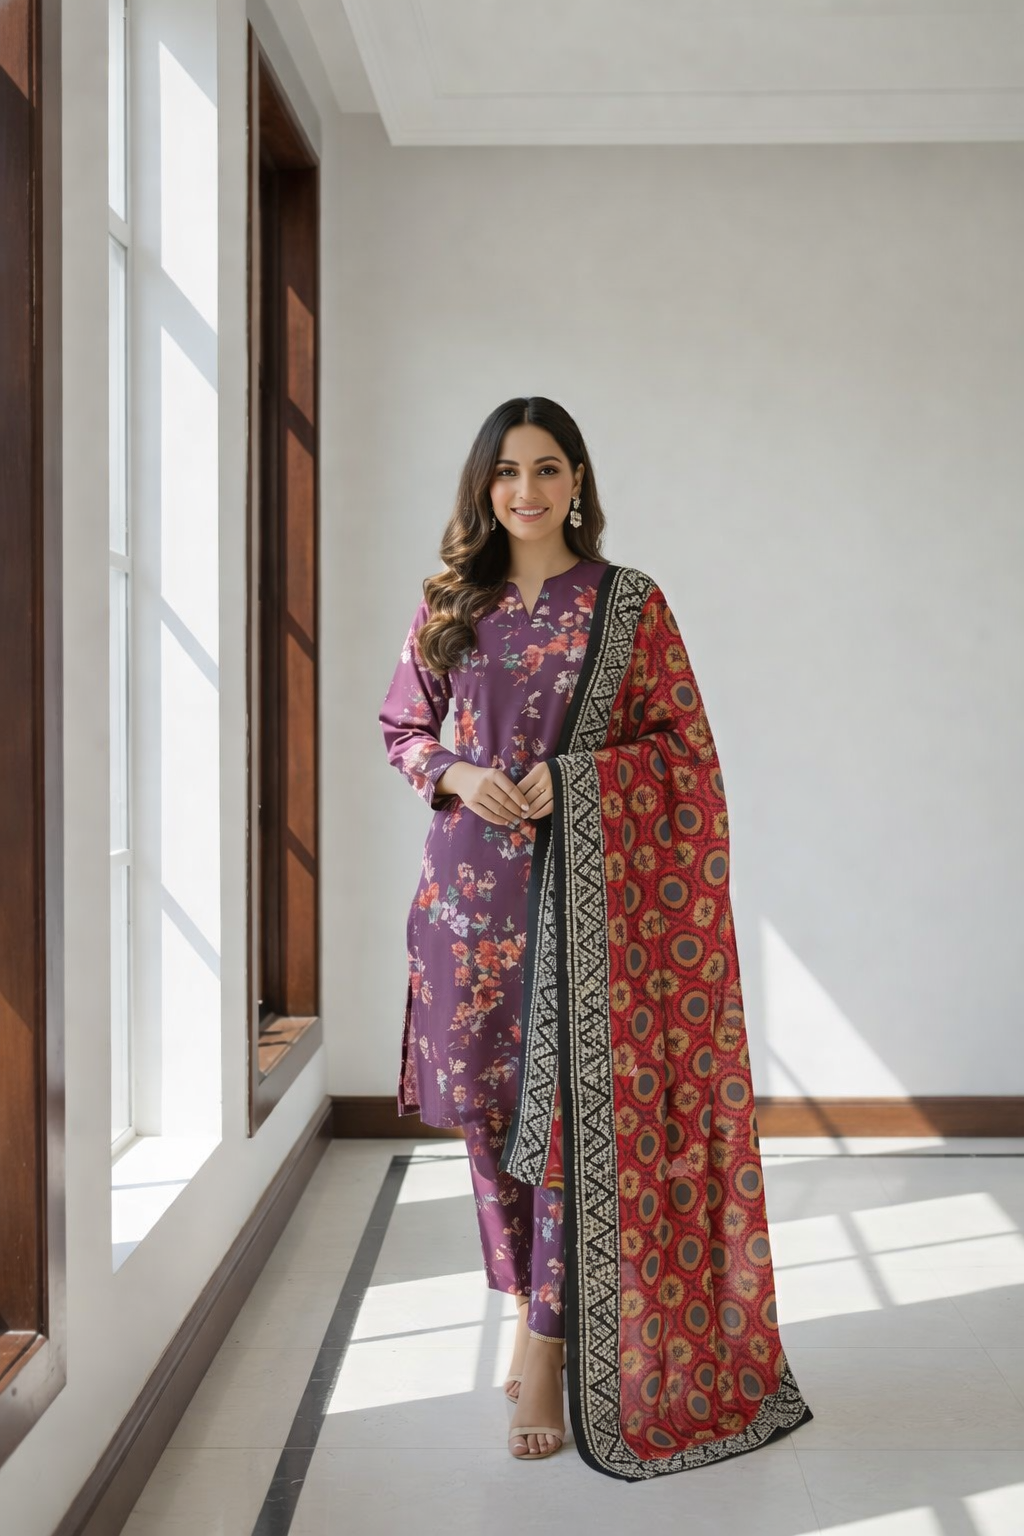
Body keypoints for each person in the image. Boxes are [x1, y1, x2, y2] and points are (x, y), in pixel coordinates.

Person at [379, 397, 813, 1478]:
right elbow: (402, 727)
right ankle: (531, 1296)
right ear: (482, 486)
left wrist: (573, 779)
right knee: (489, 1114)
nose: (524, 490)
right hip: (466, 905)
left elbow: (685, 755)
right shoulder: (448, 601)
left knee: (577, 1117)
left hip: (593, 915)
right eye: (505, 471)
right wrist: (458, 774)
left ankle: (542, 1347)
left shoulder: (628, 604)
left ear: (579, 481)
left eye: (546, 469)